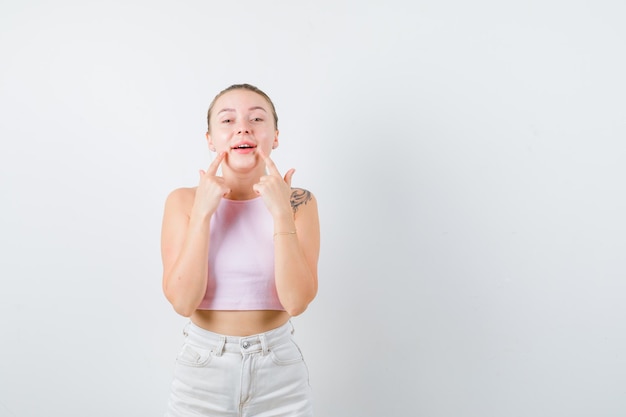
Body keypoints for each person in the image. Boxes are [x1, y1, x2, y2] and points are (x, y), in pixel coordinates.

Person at [160, 83, 320, 417]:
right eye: (228, 120)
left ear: (275, 136)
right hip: (202, 371)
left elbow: (297, 301)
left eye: (257, 119)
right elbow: (182, 301)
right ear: (210, 139)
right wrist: (204, 213)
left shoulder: (299, 202)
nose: (243, 127)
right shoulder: (183, 202)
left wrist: (279, 213)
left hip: (279, 372)